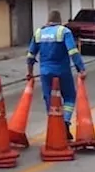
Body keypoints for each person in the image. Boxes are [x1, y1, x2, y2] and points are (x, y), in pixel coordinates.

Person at [26, 10, 86, 141]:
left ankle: (54, 126)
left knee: (50, 100)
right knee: (69, 97)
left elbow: (30, 55)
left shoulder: (39, 32)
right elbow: (73, 52)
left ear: (48, 20)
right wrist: (81, 69)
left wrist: (30, 72)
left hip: (45, 72)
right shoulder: (64, 32)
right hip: (62, 70)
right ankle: (65, 121)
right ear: (60, 21)